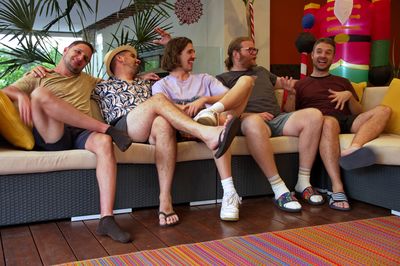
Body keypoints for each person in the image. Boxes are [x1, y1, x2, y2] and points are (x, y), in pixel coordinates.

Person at [92, 44, 242, 224]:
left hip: (150, 125)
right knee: (158, 100)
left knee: (163, 123)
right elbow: (72, 75)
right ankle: (207, 134)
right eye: (132, 56)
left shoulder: (146, 83)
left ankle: (165, 200)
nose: (138, 59)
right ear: (119, 58)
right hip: (124, 127)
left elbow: (176, 66)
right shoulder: (101, 85)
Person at [2, 41, 133, 243]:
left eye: (86, 58)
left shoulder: (88, 80)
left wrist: (141, 78)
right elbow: (8, 89)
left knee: (105, 143)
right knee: (39, 94)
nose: (81, 58)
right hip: (53, 133)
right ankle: (106, 128)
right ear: (65, 51)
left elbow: (117, 83)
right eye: (77, 52)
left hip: (82, 132)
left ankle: (106, 219)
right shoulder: (40, 75)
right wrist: (21, 96)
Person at [216, 36, 325, 213]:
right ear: (236, 54)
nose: (254, 53)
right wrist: (251, 114)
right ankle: (279, 188)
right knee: (253, 123)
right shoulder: (222, 79)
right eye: (250, 50)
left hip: (277, 119)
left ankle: (303, 182)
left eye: (255, 49)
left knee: (314, 115)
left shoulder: (262, 71)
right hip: (250, 120)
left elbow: (286, 83)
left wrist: (291, 91)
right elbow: (222, 111)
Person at [152, 37, 255, 221]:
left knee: (247, 81)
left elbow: (229, 96)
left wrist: (204, 101)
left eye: (193, 52)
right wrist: (186, 110)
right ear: (176, 54)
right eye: (189, 52)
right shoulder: (161, 85)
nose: (194, 56)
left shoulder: (204, 79)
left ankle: (229, 194)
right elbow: (162, 108)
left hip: (212, 120)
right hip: (181, 129)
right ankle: (229, 190)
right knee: (220, 122)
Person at [292, 37, 392, 211]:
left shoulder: (343, 82)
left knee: (384, 110)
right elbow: (290, 114)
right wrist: (291, 94)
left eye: (328, 52)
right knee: (329, 122)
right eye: (319, 52)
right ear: (312, 56)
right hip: (322, 121)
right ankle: (337, 188)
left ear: (333, 58)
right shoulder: (301, 84)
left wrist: (349, 96)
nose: (323, 56)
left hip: (346, 120)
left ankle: (353, 149)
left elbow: (358, 112)